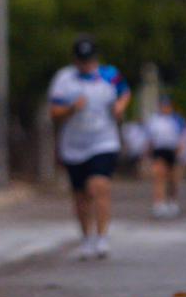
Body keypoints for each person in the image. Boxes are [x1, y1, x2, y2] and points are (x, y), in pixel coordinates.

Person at [48, 35, 130, 260]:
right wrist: (72, 108)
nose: (86, 64)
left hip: (103, 141)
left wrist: (120, 107)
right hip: (74, 145)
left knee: (99, 186)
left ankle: (102, 237)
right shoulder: (64, 79)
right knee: (80, 195)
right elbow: (54, 112)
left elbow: (125, 92)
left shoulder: (109, 75)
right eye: (82, 60)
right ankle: (86, 238)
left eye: (89, 59)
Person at [145, 96, 185, 218]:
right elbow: (150, 138)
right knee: (159, 177)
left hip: (172, 150)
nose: (165, 108)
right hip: (159, 150)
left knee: (173, 179)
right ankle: (159, 203)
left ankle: (172, 201)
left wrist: (181, 150)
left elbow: (183, 137)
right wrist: (148, 152)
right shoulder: (154, 120)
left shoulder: (177, 119)